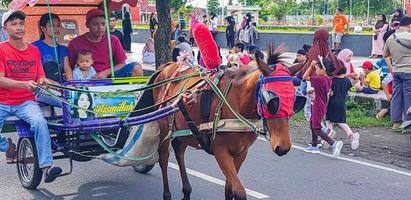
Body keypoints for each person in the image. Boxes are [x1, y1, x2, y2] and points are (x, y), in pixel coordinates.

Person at [0, 10, 62, 182]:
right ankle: (7, 146)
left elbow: (39, 76)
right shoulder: (1, 49)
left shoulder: (34, 51)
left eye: (21, 23)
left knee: (40, 122)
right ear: (5, 28)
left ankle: (47, 168)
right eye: (14, 24)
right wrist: (23, 84)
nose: (19, 27)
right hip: (2, 100)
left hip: (25, 101)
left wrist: (43, 81)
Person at [68, 9, 143, 79]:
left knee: (137, 68)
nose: (100, 27)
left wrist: (106, 73)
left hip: (110, 77)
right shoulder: (75, 43)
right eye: (95, 24)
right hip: (86, 79)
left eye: (103, 24)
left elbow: (122, 63)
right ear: (87, 25)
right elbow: (69, 67)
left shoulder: (113, 40)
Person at [302, 58, 343, 157]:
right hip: (319, 104)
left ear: (323, 69)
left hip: (318, 105)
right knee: (312, 123)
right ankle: (314, 145)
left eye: (317, 69)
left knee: (316, 127)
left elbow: (305, 77)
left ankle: (333, 143)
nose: (316, 71)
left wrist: (311, 66)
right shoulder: (327, 79)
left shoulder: (320, 79)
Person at [383, 17, 411, 130]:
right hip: (409, 71)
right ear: (409, 26)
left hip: (396, 71)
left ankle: (396, 122)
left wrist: (392, 66)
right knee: (408, 95)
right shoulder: (409, 37)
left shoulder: (391, 38)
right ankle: (408, 122)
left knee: (396, 96)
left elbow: (385, 54)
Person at [326, 66, 360, 150]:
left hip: (332, 103)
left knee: (329, 121)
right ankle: (351, 135)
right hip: (342, 103)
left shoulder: (332, 81)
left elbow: (330, 93)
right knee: (342, 122)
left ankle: (329, 138)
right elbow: (352, 85)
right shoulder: (347, 81)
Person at [32, 13, 72, 82]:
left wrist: (71, 86)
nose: (56, 29)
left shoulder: (63, 49)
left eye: (58, 25)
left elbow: (67, 70)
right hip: (44, 87)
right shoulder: (35, 47)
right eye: (52, 26)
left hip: (62, 88)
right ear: (43, 28)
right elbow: (36, 73)